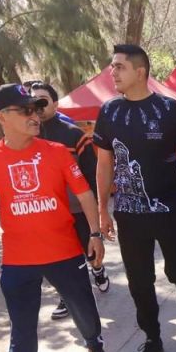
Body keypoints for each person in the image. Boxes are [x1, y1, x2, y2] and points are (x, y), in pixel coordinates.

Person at [0, 84, 111, 352]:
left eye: (36, 110)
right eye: (25, 111)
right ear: (2, 117)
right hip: (18, 260)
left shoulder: (56, 151)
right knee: (21, 326)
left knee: (84, 310)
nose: (35, 116)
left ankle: (94, 344)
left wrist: (95, 233)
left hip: (63, 252)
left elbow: (84, 194)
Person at [94, 44, 176, 352]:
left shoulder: (168, 109)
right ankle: (153, 338)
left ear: (140, 72)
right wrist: (103, 209)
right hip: (129, 215)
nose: (112, 72)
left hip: (169, 209)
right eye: (112, 67)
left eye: (119, 67)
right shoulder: (109, 111)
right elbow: (104, 164)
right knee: (139, 280)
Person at [30, 82, 110, 322]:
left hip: (77, 209)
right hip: (48, 213)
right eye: (34, 102)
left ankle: (97, 268)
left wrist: (97, 208)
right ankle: (67, 296)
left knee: (89, 250)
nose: (39, 107)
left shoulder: (73, 135)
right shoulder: (27, 137)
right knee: (60, 259)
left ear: (55, 103)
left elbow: (91, 172)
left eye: (43, 101)